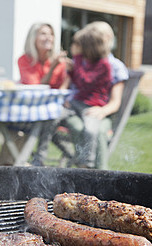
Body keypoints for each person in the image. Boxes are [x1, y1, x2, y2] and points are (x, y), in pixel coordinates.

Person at [0, 22, 67, 165]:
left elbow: (64, 87)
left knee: (49, 117)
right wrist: (53, 67)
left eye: (51, 34)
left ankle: (36, 160)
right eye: (43, 34)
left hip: (56, 111)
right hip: (30, 112)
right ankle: (18, 161)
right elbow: (36, 87)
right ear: (33, 38)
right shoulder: (24, 60)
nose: (48, 37)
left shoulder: (60, 61)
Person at [60, 23, 113, 169]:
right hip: (77, 103)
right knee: (53, 116)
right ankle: (41, 153)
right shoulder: (86, 63)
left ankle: (86, 163)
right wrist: (70, 71)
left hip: (92, 106)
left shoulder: (104, 65)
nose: (77, 48)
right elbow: (78, 82)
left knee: (90, 129)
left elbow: (86, 81)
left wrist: (76, 58)